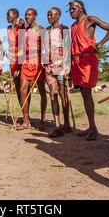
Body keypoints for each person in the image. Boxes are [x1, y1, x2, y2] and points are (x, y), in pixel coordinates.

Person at [68, 0, 109, 140]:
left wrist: (100, 44)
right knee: (84, 93)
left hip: (87, 60)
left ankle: (94, 129)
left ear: (81, 8)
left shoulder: (90, 19)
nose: (71, 11)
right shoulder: (73, 26)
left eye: (73, 9)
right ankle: (91, 127)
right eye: (70, 10)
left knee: (87, 93)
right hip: (76, 61)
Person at [17, 8, 47, 130]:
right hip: (26, 62)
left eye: (30, 15)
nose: (27, 17)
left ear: (35, 16)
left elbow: (46, 47)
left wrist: (45, 61)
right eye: (26, 15)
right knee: (22, 90)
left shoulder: (41, 29)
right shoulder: (23, 31)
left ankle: (43, 120)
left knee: (42, 91)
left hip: (38, 61)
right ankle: (26, 119)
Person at [43, 7, 71, 137]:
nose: (49, 17)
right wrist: (44, 59)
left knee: (63, 94)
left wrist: (64, 64)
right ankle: (57, 126)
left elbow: (68, 47)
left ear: (58, 15)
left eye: (51, 15)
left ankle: (67, 124)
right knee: (53, 94)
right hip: (49, 65)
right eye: (47, 15)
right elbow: (46, 47)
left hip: (61, 64)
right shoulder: (46, 31)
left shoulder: (64, 29)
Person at [6, 9, 25, 101]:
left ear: (15, 16)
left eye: (9, 15)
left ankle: (26, 114)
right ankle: (23, 112)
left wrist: (22, 23)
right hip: (12, 58)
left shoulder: (21, 26)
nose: (7, 17)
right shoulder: (9, 28)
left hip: (20, 56)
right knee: (17, 86)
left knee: (23, 86)